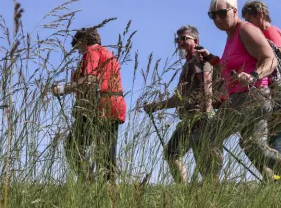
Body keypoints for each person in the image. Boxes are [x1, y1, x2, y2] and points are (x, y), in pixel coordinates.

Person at [196, 0, 281, 185]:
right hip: (251, 98)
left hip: (250, 97)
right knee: (254, 147)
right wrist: (211, 58)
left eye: (221, 12)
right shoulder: (232, 36)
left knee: (210, 133)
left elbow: (271, 59)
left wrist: (253, 76)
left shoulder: (246, 30)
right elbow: (231, 71)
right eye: (212, 15)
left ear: (234, 11)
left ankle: (210, 183)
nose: (217, 18)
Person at [143, 25, 220, 183]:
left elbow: (207, 86)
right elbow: (180, 98)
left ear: (195, 40)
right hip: (197, 118)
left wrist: (205, 115)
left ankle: (184, 191)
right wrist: (155, 106)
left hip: (198, 118)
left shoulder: (200, 60)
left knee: (171, 153)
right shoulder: (189, 63)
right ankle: (207, 198)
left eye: (184, 38)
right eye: (177, 40)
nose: (179, 42)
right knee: (205, 165)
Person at [52, 27, 127, 182]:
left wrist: (62, 89)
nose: (79, 51)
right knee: (106, 155)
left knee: (72, 147)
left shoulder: (91, 52)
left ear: (84, 42)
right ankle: (110, 191)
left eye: (78, 46)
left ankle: (87, 181)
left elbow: (90, 80)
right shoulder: (109, 55)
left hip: (98, 106)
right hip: (115, 105)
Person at [241, 0, 281, 153]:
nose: (248, 25)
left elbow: (275, 60)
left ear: (260, 14)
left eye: (249, 20)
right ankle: (276, 176)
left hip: (280, 94)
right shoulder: (266, 33)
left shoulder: (269, 32)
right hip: (278, 94)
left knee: (274, 144)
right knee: (265, 143)